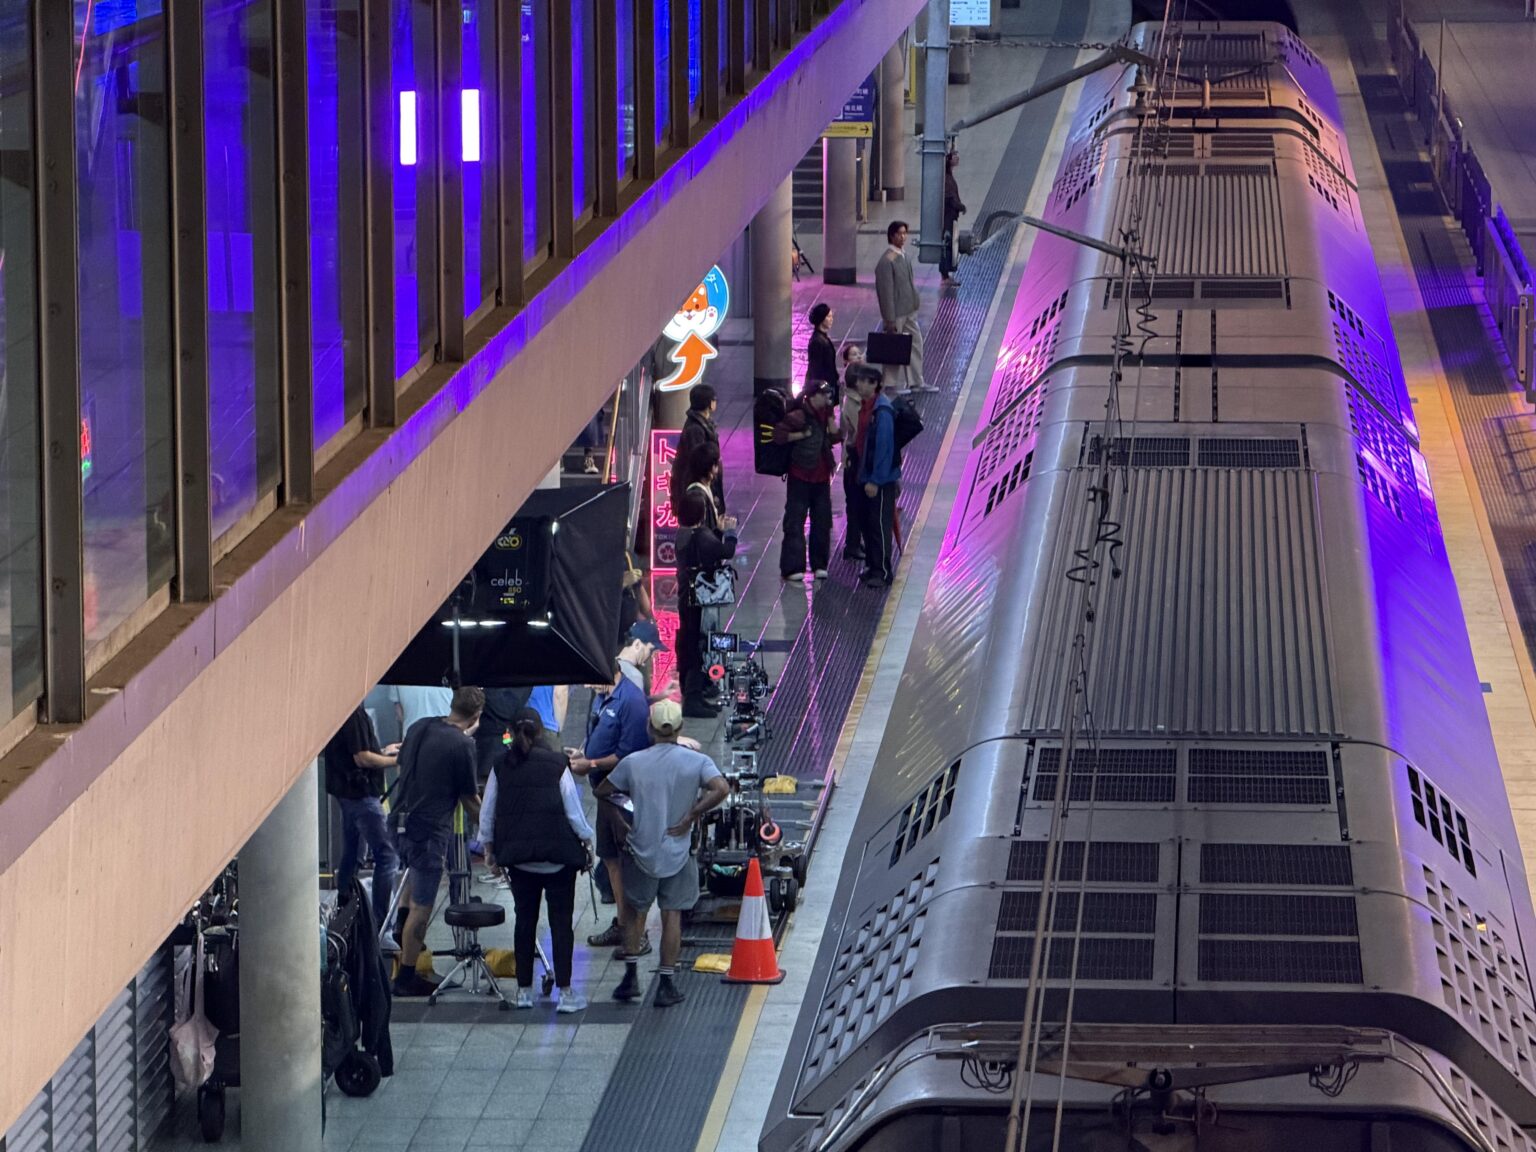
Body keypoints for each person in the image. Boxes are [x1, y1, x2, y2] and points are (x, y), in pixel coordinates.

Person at [598, 699, 729, 1007]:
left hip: (640, 848)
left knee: (634, 913)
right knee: (672, 915)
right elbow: (721, 789)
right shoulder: (696, 762)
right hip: (679, 851)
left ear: (650, 728)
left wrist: (620, 822)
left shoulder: (633, 762)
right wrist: (691, 815)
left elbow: (602, 792)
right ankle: (666, 982)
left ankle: (630, 977)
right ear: (681, 728)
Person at [480, 708, 594, 1013]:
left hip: (520, 862)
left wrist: (490, 851)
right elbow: (573, 811)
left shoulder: (501, 765)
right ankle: (567, 994)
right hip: (558, 858)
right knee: (561, 924)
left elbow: (488, 812)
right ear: (541, 732)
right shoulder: (557, 764)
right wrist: (586, 839)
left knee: (524, 923)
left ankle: (523, 992)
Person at [391, 686, 485, 996]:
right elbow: (470, 800)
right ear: (476, 716)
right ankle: (406, 974)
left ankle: (398, 936)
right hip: (428, 831)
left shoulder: (420, 726)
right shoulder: (462, 744)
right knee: (422, 906)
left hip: (399, 821)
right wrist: (491, 829)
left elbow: (403, 763)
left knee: (409, 884)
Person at [568, 664, 651, 950]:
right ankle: (622, 923)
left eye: (592, 681)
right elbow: (599, 735)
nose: (588, 688)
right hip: (604, 794)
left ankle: (638, 933)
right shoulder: (603, 696)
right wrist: (584, 753)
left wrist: (590, 764)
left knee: (628, 862)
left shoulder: (631, 702)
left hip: (623, 797)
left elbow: (630, 755)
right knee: (612, 860)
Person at [323, 704, 401, 942]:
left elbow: (360, 750)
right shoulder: (353, 714)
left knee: (353, 853)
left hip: (348, 793)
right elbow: (362, 758)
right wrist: (396, 760)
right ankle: (380, 926)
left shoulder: (341, 711)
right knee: (387, 856)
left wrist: (384, 751)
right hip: (360, 794)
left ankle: (345, 912)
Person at [675, 489, 739, 718]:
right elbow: (725, 552)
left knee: (690, 640)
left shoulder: (682, 534)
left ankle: (695, 692)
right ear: (701, 514)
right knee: (697, 645)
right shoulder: (701, 536)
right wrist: (730, 533)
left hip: (686, 596)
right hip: (699, 599)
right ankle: (693, 697)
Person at [773, 379, 840, 583]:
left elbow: (836, 438)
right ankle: (793, 566)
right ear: (812, 396)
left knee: (822, 521)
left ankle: (820, 564)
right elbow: (779, 436)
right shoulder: (799, 414)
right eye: (824, 394)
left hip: (821, 476)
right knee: (795, 521)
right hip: (799, 475)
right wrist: (802, 434)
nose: (828, 398)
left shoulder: (826, 412)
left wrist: (831, 422)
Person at [874, 220, 933, 393]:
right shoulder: (887, 261)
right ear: (891, 236)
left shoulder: (904, 255)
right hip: (896, 313)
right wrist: (889, 318)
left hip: (908, 310)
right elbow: (885, 292)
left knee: (916, 343)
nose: (903, 237)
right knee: (894, 346)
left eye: (904, 233)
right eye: (899, 233)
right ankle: (890, 383)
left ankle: (916, 380)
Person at [859, 368, 902, 588]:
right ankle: (874, 566)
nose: (858, 385)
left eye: (862, 381)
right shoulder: (870, 407)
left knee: (880, 525)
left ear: (873, 383)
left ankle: (884, 571)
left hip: (881, 482)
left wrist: (875, 480)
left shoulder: (882, 411)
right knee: (870, 525)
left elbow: (883, 449)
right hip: (868, 476)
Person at [841, 364, 879, 564]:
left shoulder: (856, 401)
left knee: (855, 503)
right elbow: (859, 433)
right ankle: (852, 545)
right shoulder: (854, 404)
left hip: (856, 456)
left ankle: (855, 542)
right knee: (855, 503)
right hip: (855, 458)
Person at [669, 383, 725, 516]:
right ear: (710, 404)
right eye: (714, 400)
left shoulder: (701, 424)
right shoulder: (696, 429)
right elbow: (699, 461)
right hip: (697, 489)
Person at [685, 442, 728, 532]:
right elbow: (699, 536)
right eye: (717, 464)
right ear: (710, 467)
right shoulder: (696, 496)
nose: (719, 468)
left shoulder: (708, 488)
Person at [387, 683, 454, 741]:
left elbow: (399, 711)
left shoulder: (397, 670)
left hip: (412, 740)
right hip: (449, 737)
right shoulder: (454, 671)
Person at [941, 150, 967, 286]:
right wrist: (960, 206)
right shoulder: (946, 178)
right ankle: (945, 275)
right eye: (954, 157)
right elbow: (949, 197)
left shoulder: (948, 175)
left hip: (951, 214)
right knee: (947, 242)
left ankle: (946, 274)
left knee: (949, 242)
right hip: (948, 215)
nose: (957, 159)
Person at [805, 303, 840, 402]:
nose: (831, 319)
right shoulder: (817, 341)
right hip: (824, 387)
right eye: (828, 316)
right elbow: (816, 367)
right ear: (822, 319)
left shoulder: (822, 338)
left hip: (828, 384)